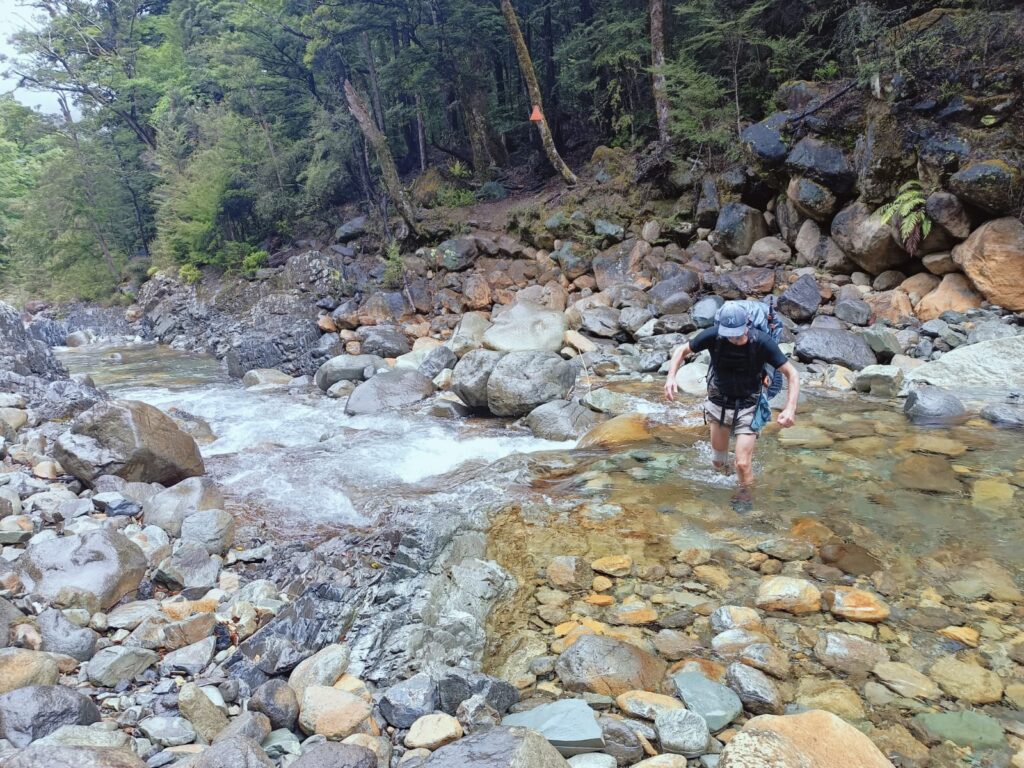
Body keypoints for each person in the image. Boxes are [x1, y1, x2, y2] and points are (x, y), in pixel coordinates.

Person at [663, 300, 800, 505]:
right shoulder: (714, 335)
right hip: (719, 401)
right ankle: (728, 477)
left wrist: (791, 407)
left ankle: (746, 496)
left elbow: (792, 373)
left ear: (747, 325)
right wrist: (671, 377)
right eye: (729, 333)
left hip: (749, 404)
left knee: (742, 464)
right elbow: (681, 351)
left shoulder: (761, 342)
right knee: (719, 462)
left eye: (738, 333)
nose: (734, 338)